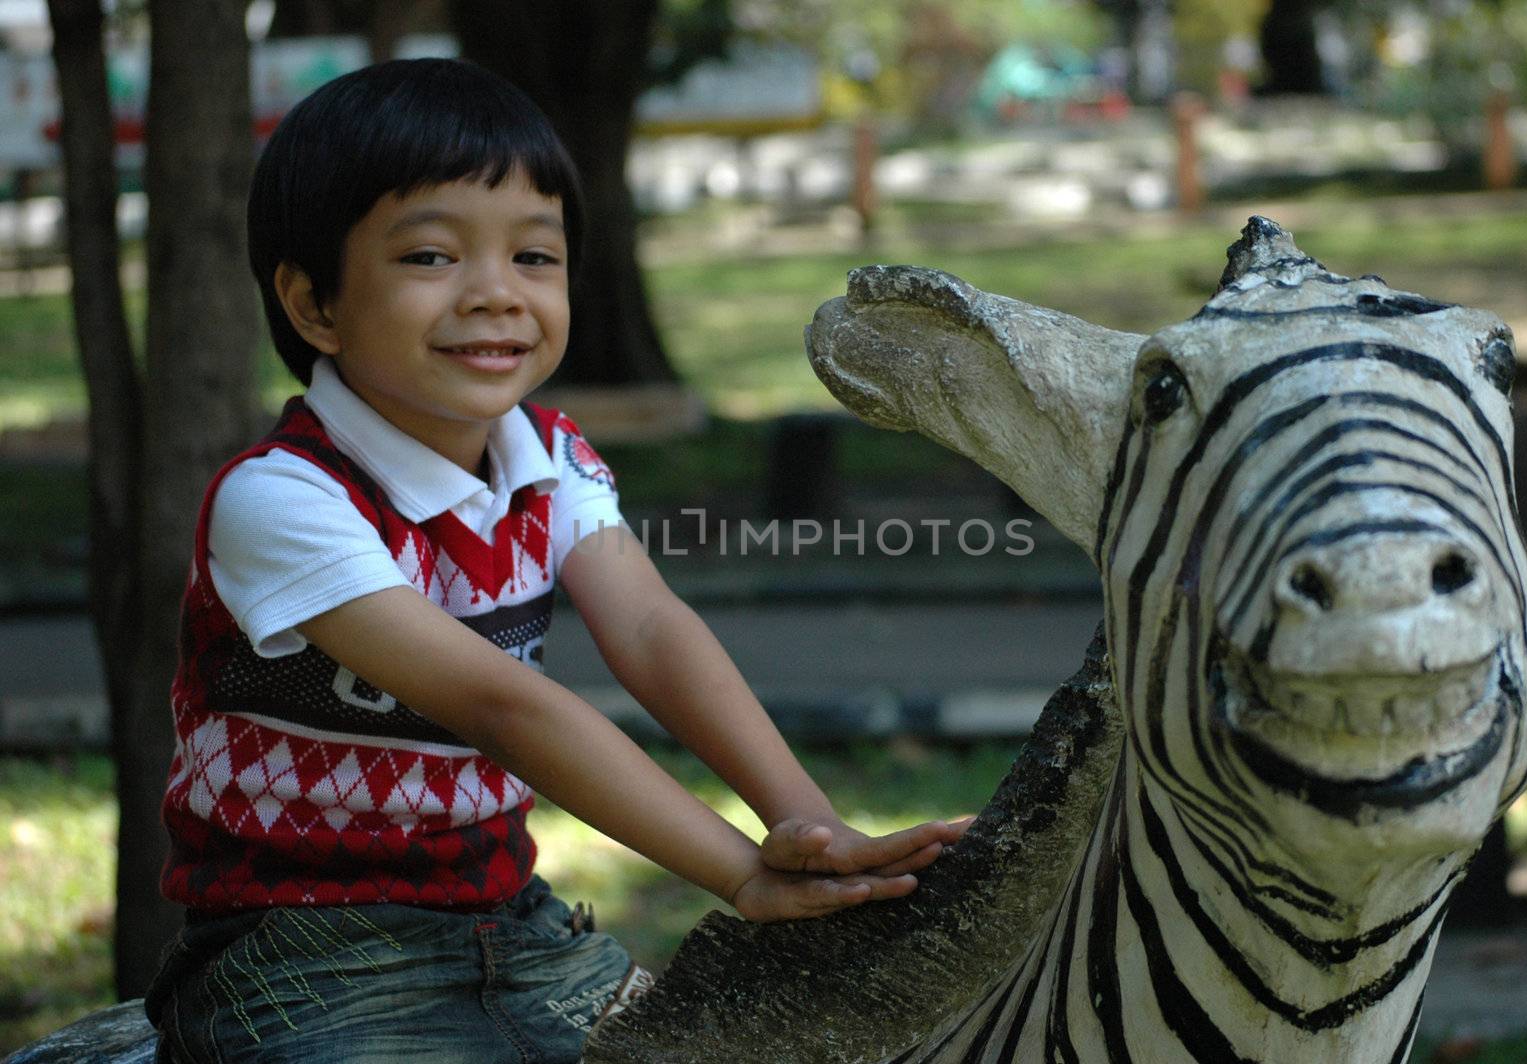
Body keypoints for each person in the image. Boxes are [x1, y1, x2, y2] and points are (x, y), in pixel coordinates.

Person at [143, 57, 962, 1063]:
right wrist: (738, 871)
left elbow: (653, 630)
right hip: (301, 952)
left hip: (512, 922)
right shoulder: (283, 497)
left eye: (535, 257)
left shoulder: (551, 455)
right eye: (432, 257)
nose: (496, 295)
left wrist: (804, 821)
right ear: (315, 304)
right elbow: (507, 709)